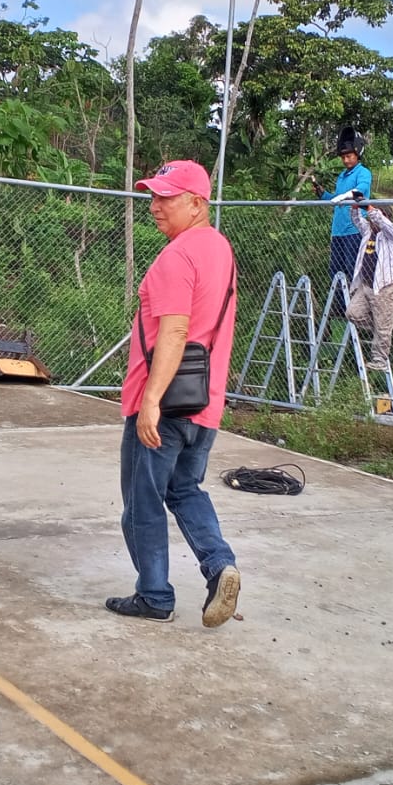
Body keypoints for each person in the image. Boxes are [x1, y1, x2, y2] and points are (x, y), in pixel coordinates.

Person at [106, 159, 241, 628]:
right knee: (185, 489)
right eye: (153, 196)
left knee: (142, 502)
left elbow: (176, 330)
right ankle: (220, 565)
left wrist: (150, 400)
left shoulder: (176, 257)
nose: (155, 206)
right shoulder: (220, 249)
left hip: (164, 404)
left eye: (166, 197)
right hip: (205, 402)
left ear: (197, 204)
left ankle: (154, 595)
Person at [311, 127, 372, 305]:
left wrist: (346, 196)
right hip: (337, 232)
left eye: (349, 156)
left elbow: (360, 191)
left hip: (354, 231)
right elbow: (336, 200)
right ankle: (339, 308)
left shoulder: (363, 173)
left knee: (353, 270)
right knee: (336, 272)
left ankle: (358, 308)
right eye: (343, 157)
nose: (346, 160)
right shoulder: (341, 177)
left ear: (358, 154)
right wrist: (322, 194)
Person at [345, 194, 393, 371]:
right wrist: (356, 205)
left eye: (375, 216)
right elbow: (357, 220)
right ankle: (381, 330)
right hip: (366, 285)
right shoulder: (368, 232)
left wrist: (370, 208)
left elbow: (381, 221)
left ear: (385, 217)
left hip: (385, 286)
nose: (371, 220)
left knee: (383, 326)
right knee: (353, 313)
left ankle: (379, 359)